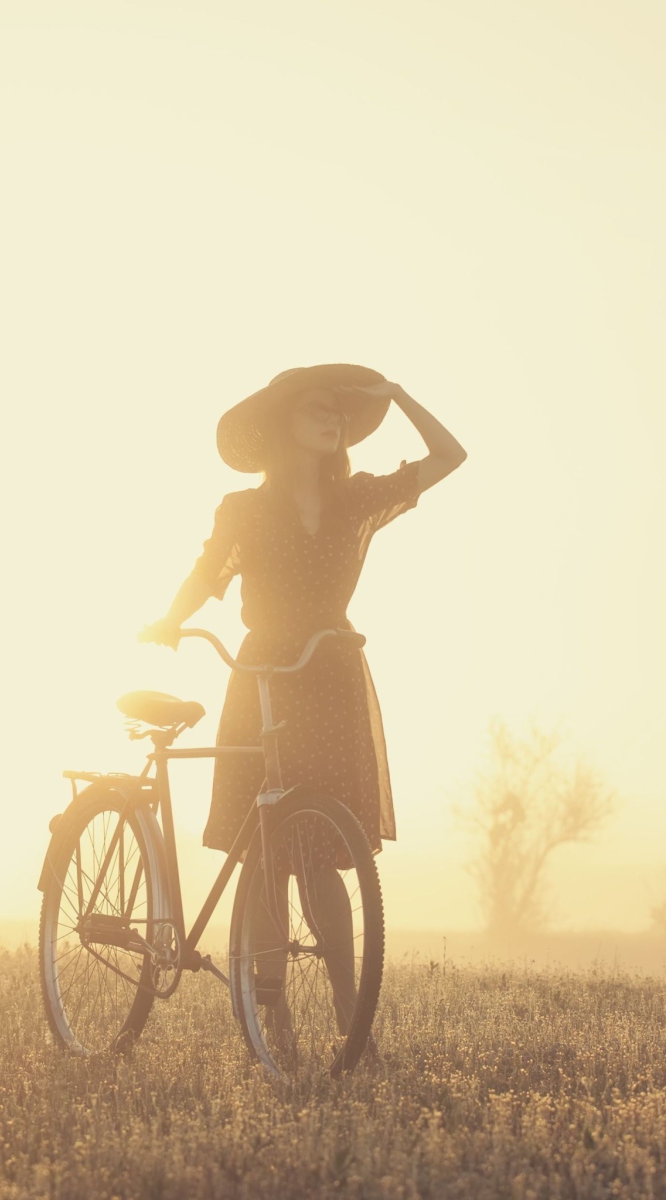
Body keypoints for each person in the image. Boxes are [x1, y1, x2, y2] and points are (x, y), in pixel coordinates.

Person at [140, 363, 466, 1034]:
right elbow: (208, 572)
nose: (334, 419)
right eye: (317, 408)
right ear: (282, 423)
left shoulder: (359, 500)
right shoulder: (245, 509)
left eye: (340, 413)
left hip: (332, 670)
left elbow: (449, 456)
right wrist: (172, 619)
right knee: (266, 852)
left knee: (325, 851)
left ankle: (352, 1019)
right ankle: (275, 1019)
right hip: (265, 672)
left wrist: (399, 395)